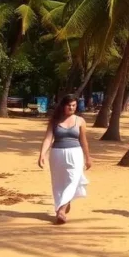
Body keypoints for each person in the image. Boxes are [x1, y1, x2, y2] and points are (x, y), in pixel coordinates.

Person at [37, 95, 92, 224]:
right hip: (57, 154)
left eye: (74, 105)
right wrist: (42, 154)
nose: (71, 108)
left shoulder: (80, 121)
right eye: (69, 105)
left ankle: (61, 210)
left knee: (73, 180)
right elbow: (48, 138)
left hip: (75, 153)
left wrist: (88, 158)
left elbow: (83, 141)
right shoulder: (55, 121)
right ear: (63, 106)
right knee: (58, 183)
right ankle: (62, 207)